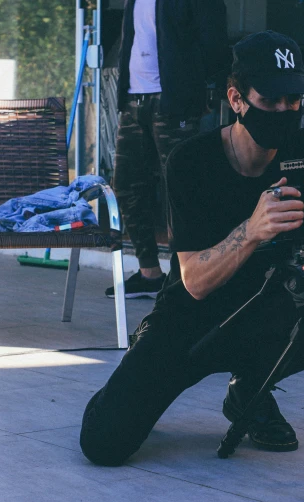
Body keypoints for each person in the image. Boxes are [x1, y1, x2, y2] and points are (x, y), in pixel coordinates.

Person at [81, 31, 304, 466]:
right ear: (236, 99)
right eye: (270, 99)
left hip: (268, 314)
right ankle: (130, 378)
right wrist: (253, 230)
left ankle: (249, 392)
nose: (283, 111)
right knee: (104, 443)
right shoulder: (192, 162)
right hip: (192, 320)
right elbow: (194, 282)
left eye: (293, 101)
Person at [105, 0, 230, 299]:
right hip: (135, 99)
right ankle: (149, 272)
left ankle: (185, 275)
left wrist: (202, 86)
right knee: (125, 185)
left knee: (182, 188)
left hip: (174, 100)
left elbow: (214, 40)